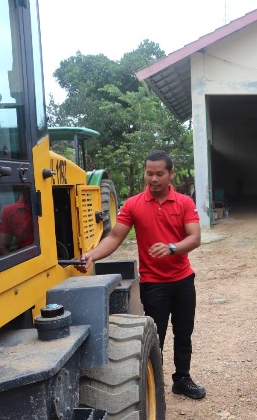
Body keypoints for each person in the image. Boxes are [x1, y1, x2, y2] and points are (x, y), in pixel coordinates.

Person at [78, 150, 205, 399]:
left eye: (160, 173)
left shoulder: (184, 203)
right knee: (155, 337)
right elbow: (114, 237)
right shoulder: (133, 204)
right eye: (149, 173)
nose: (154, 178)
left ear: (170, 174)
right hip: (154, 284)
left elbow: (195, 237)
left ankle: (182, 379)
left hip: (182, 280)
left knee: (183, 332)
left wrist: (172, 248)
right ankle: (152, 386)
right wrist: (92, 254)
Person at [0, 189, 33, 255]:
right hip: (27, 258)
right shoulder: (10, 210)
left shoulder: (9, 210)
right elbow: (0, 246)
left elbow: (1, 246)